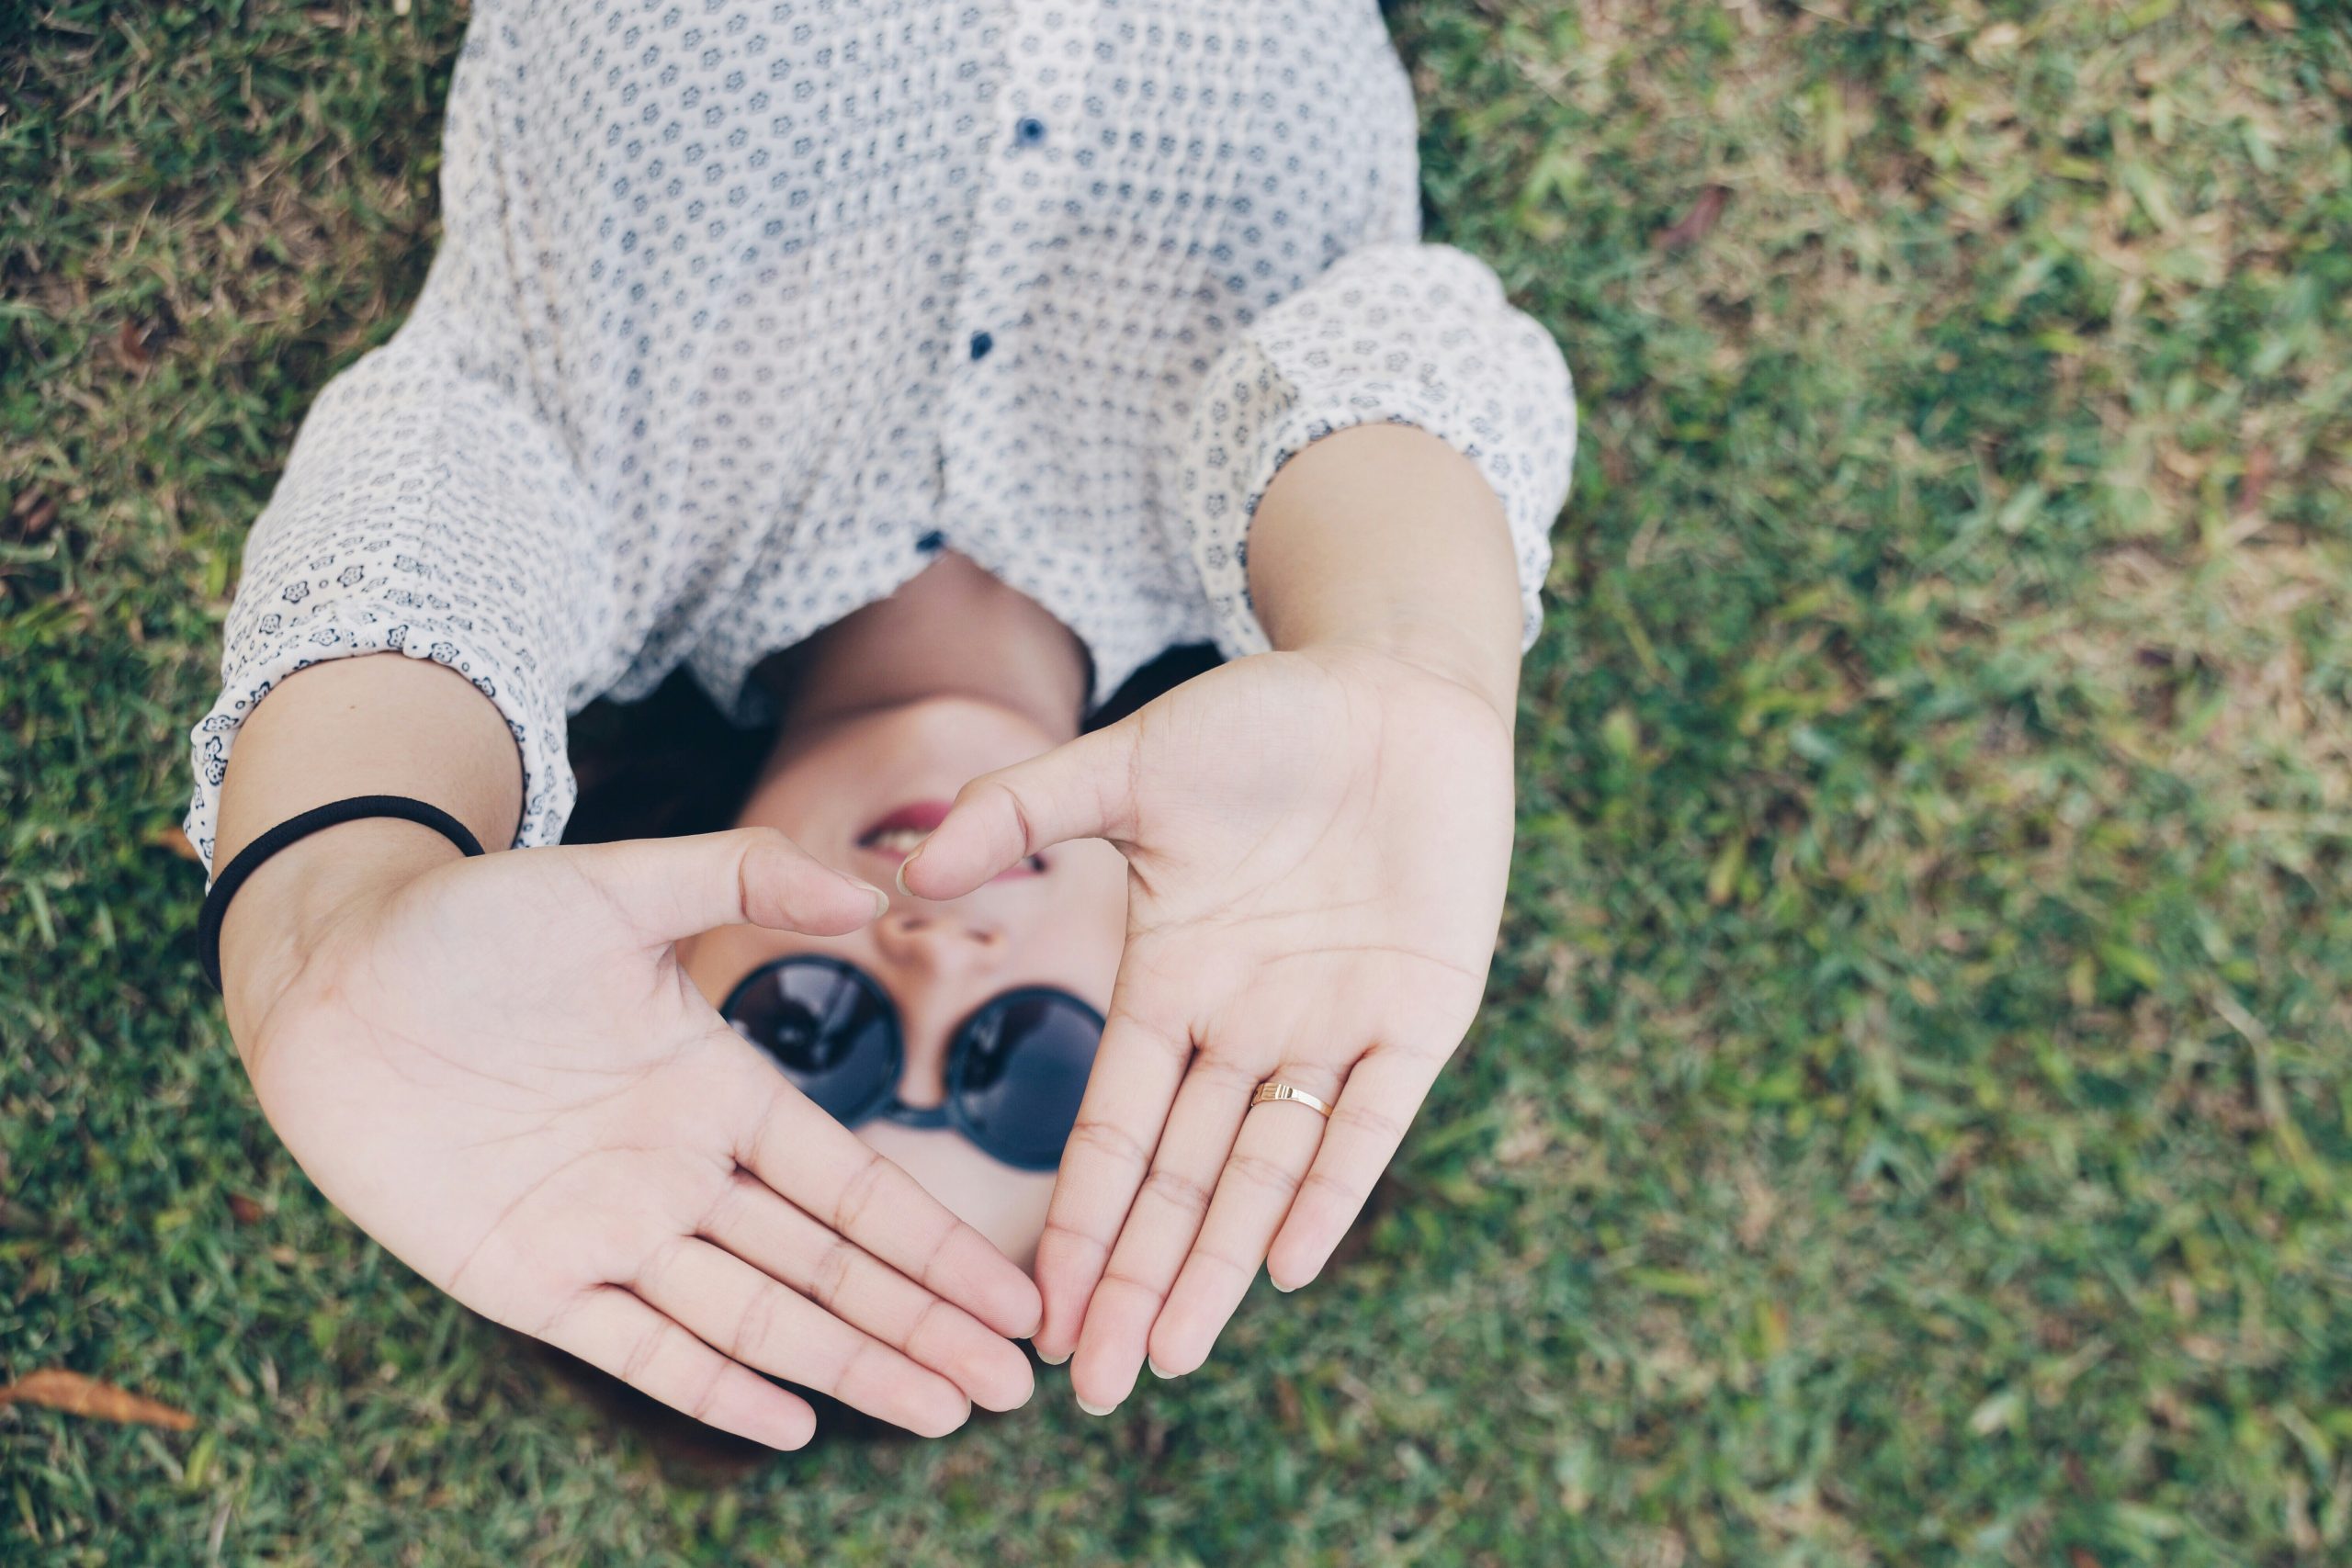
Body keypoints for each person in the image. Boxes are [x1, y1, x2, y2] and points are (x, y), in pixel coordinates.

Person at [190, 0, 1576, 1450]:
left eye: (810, 1038)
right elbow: (1410, 358)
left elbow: (427, 523)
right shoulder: (1293, 556)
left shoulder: (595, 523)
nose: (931, 960)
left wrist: (322, 912)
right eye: (1031, 1062)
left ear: (661, 970)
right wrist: (1415, 651)